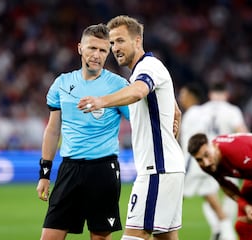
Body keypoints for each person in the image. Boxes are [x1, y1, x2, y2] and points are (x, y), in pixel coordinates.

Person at [77, 15, 185, 240]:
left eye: (120, 41)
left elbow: (138, 91)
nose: (115, 48)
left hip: (157, 170)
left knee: (134, 236)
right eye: (112, 43)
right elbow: (163, 100)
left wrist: (101, 101)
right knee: (165, 237)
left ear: (137, 41)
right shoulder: (147, 69)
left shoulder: (148, 67)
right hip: (166, 168)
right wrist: (173, 107)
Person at [36, 23, 130, 240]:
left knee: (100, 237)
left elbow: (139, 121)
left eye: (102, 50)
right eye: (92, 48)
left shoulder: (119, 86)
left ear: (108, 52)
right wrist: (44, 174)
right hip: (69, 169)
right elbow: (52, 130)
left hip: (103, 169)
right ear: (80, 48)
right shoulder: (62, 83)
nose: (96, 55)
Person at [187, 132, 252, 240]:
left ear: (213, 146)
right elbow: (226, 186)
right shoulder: (207, 165)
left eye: (206, 155)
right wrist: (245, 206)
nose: (206, 163)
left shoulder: (239, 154)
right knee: (242, 227)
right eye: (199, 159)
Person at [179, 83, 235, 240]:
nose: (180, 97)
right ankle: (226, 234)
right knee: (213, 202)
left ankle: (160, 230)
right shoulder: (205, 112)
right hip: (208, 164)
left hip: (194, 165)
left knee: (173, 198)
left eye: (183, 94)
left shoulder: (192, 114)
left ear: (191, 96)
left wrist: (185, 168)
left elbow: (194, 145)